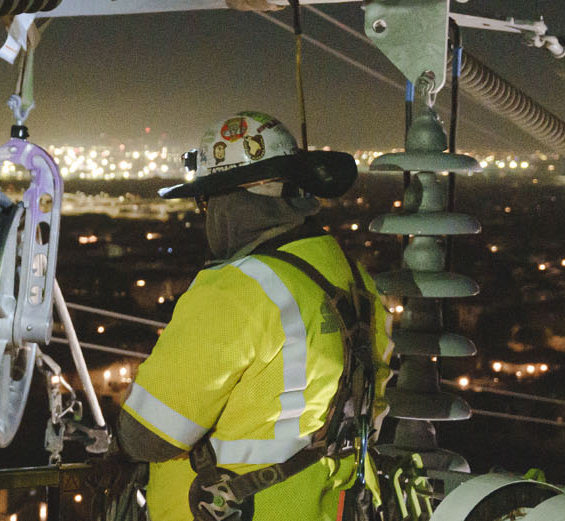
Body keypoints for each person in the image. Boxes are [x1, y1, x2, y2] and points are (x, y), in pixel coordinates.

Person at [117, 112, 391, 521]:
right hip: (336, 506)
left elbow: (146, 437)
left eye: (206, 201)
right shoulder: (358, 281)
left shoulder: (235, 289)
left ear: (230, 201)